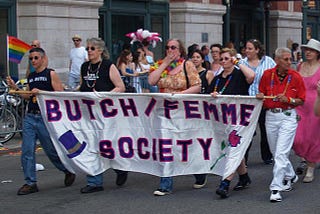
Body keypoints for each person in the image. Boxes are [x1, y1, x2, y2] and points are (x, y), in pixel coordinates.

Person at [6, 47, 76, 195]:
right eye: (31, 59)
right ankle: (30, 182)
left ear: (43, 58)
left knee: (51, 150)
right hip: (31, 116)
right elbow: (27, 95)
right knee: (27, 150)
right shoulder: (31, 76)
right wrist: (15, 87)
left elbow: (60, 95)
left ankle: (67, 170)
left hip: (45, 117)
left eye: (36, 58)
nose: (33, 61)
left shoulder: (50, 73)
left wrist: (42, 93)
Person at [148, 39, 202, 196]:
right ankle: (166, 183)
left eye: (173, 47)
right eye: (167, 47)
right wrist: (165, 63)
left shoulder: (187, 65)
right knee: (166, 145)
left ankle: (199, 172)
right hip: (164, 111)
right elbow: (152, 80)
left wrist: (179, 95)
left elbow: (197, 86)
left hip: (183, 111)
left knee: (185, 145)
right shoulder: (159, 64)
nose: (170, 50)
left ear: (180, 50)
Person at [257, 47, 306, 203]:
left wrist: (290, 100)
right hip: (271, 116)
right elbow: (262, 94)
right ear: (277, 60)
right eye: (285, 59)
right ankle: (290, 175)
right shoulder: (267, 75)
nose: (289, 61)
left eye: (290, 58)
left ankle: (276, 188)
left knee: (280, 154)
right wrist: (259, 97)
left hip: (288, 117)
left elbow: (302, 99)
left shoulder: (296, 76)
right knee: (275, 152)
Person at [79, 37, 128, 193]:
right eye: (87, 49)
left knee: (107, 146)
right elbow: (82, 86)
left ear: (100, 50)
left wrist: (103, 96)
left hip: (106, 111)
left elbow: (120, 87)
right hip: (89, 112)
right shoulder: (84, 67)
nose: (89, 51)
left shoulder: (108, 66)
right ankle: (94, 181)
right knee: (91, 146)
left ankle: (120, 168)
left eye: (92, 48)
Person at [210, 48, 255, 198]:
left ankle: (225, 183)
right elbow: (208, 96)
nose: (223, 61)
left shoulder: (239, 74)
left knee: (233, 148)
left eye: (226, 58)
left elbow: (252, 76)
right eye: (221, 59)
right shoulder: (218, 78)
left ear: (232, 59)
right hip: (224, 120)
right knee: (235, 149)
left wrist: (238, 62)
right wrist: (213, 95)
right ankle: (244, 176)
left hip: (240, 118)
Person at [243, 39, 276, 165]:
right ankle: (243, 158)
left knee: (265, 129)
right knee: (247, 132)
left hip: (263, 101)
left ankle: (267, 156)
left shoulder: (268, 61)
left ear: (257, 50)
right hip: (248, 101)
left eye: (250, 48)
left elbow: (274, 78)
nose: (247, 51)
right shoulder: (242, 63)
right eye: (246, 48)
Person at [293, 38, 320, 183]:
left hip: (316, 106)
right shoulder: (300, 66)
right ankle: (305, 158)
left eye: (312, 50)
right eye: (307, 50)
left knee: (313, 138)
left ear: (317, 53)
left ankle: (310, 167)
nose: (308, 52)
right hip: (300, 106)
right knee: (297, 138)